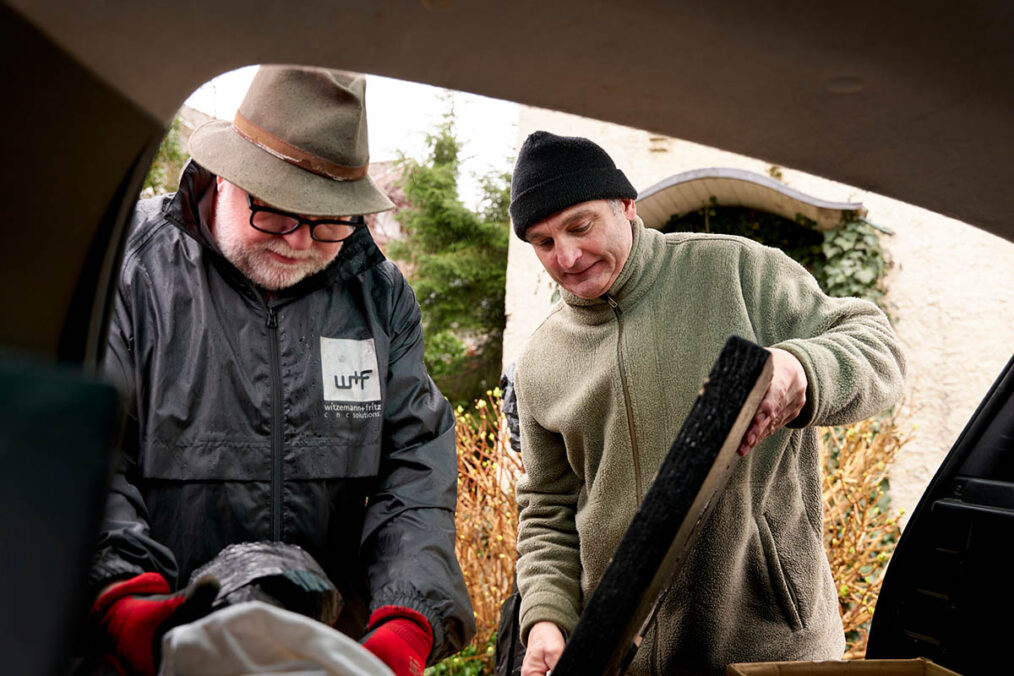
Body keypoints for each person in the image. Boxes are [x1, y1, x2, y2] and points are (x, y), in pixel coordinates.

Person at [85, 65, 474, 676]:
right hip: (151, 650)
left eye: (328, 223)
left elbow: (416, 467)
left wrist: (408, 613)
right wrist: (120, 596)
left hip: (321, 653)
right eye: (276, 212)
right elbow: (86, 454)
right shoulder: (130, 270)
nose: (298, 242)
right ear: (224, 176)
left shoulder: (379, 296)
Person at [508, 131, 905, 675]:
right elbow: (548, 511)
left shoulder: (736, 271)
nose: (568, 257)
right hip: (626, 661)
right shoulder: (541, 360)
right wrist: (549, 618)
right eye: (544, 242)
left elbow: (878, 349)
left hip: (769, 650)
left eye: (580, 226)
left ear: (625, 205)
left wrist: (800, 370)